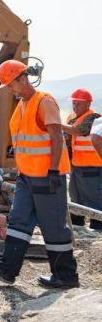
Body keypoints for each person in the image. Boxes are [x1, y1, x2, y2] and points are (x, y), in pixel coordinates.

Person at [0, 60, 79, 289]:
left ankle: (66, 276)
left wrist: (53, 171)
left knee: (53, 226)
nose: (10, 89)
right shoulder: (22, 106)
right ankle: (7, 269)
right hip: (27, 178)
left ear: (23, 78)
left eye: (11, 84)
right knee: (18, 220)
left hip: (47, 176)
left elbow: (55, 138)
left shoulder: (44, 101)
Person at [61, 89, 102, 232]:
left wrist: (54, 124)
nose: (75, 107)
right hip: (77, 165)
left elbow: (77, 131)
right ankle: (77, 226)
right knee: (75, 197)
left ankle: (98, 228)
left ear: (88, 104)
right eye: (73, 103)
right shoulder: (72, 117)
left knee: (94, 199)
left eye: (78, 104)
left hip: (93, 167)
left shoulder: (93, 118)